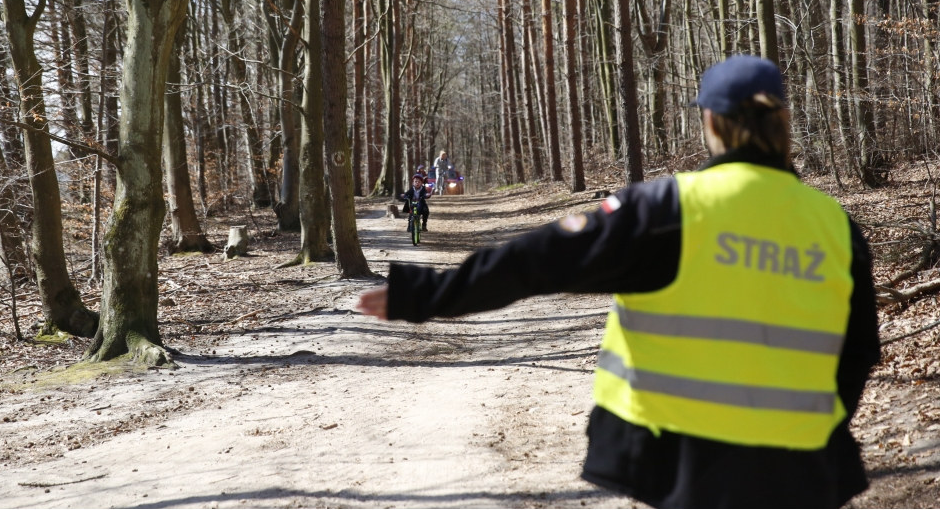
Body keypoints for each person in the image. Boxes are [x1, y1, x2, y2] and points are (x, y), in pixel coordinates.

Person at [358, 55, 879, 508]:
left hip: (683, 462)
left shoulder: (669, 209)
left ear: (711, 121)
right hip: (803, 469)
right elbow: (858, 354)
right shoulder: (836, 227)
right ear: (783, 120)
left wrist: (422, 294)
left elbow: (535, 261)